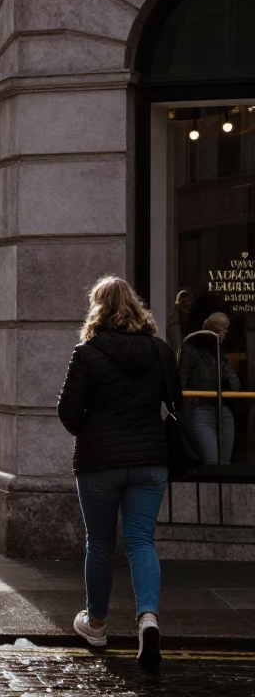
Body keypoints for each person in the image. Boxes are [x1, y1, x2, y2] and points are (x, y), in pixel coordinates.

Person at [57, 276, 178, 667]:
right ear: (135, 305)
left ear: (98, 307)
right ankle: (147, 617)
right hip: (149, 459)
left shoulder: (87, 352)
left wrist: (92, 432)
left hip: (99, 462)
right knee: (142, 541)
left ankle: (95, 624)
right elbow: (175, 401)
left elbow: (68, 413)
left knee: (101, 545)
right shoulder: (160, 350)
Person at [179, 312, 239, 465]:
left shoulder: (221, 353)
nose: (224, 331)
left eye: (227, 327)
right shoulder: (190, 347)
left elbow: (234, 382)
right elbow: (181, 379)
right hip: (201, 408)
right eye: (221, 326)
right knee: (211, 459)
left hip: (224, 409)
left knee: (225, 461)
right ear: (210, 327)